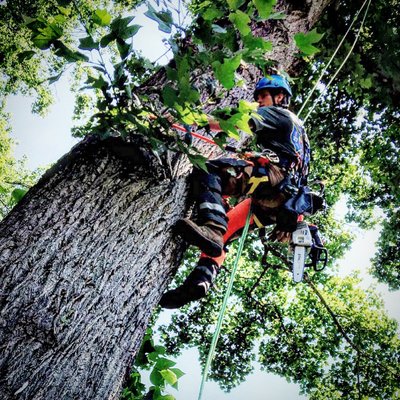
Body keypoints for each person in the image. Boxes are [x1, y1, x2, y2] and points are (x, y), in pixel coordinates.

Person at [160, 74, 311, 309]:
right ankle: (200, 281)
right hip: (284, 200)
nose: (259, 101)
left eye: (263, 96)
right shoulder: (300, 133)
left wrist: (188, 118)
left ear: (280, 96)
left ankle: (211, 226)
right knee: (227, 229)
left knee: (209, 168)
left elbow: (238, 120)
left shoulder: (278, 113)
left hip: (273, 180)